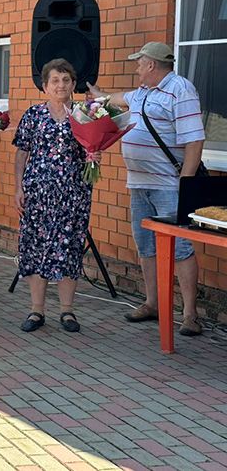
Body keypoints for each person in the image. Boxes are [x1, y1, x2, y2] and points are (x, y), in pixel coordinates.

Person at [88, 42, 205, 336]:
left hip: (169, 185)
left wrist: (186, 183)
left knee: (180, 248)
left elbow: (195, 140)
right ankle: (153, 303)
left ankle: (190, 314)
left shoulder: (181, 90)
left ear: (151, 65)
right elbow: (113, 98)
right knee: (146, 246)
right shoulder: (142, 93)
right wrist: (96, 93)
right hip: (140, 183)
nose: (137, 69)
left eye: (139, 64)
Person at [13, 59, 96, 333]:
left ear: (73, 84)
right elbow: (21, 152)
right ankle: (37, 310)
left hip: (73, 194)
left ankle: (67, 311)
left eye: (65, 80)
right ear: (45, 86)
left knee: (69, 249)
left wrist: (94, 156)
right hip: (37, 194)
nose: (60, 85)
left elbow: (92, 150)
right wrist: (18, 188)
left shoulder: (85, 115)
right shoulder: (33, 115)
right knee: (37, 247)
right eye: (55, 81)